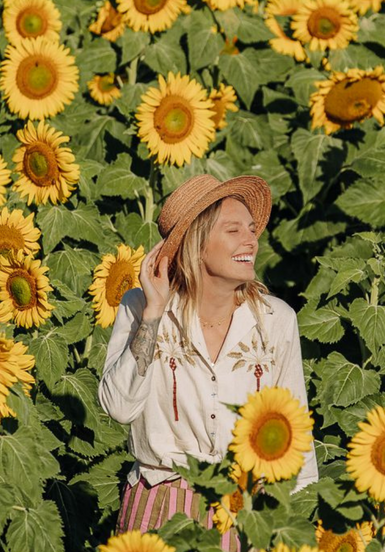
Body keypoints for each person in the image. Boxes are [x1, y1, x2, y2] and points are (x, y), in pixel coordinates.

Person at [97, 174, 318, 550]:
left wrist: (299, 520)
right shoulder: (140, 308)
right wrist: (153, 313)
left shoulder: (276, 320)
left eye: (251, 229)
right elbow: (119, 408)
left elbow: (296, 434)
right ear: (197, 245)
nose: (252, 240)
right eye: (234, 230)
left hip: (245, 508)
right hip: (159, 504)